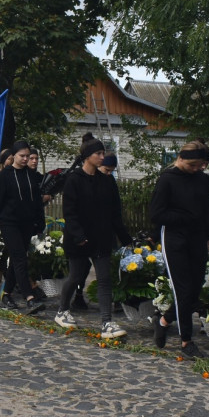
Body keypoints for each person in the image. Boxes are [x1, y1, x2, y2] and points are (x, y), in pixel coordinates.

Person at [53, 140, 131, 338]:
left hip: (102, 238)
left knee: (104, 279)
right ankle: (62, 310)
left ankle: (106, 322)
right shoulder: (74, 179)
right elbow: (69, 212)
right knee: (76, 276)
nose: (102, 157)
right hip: (79, 239)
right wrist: (78, 235)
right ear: (88, 155)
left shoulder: (107, 181)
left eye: (103, 153)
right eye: (98, 153)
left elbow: (115, 213)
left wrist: (125, 238)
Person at [150, 140, 209, 357]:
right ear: (181, 159)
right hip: (175, 238)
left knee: (195, 290)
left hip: (198, 239)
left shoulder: (204, 181)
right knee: (182, 290)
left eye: (201, 166)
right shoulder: (167, 179)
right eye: (193, 165)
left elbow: (208, 209)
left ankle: (163, 320)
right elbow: (157, 214)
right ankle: (187, 341)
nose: (197, 169)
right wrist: (184, 217)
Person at [0, 140, 46, 315]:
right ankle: (29, 298)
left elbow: (37, 202)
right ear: (14, 156)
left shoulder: (32, 176)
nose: (26, 159)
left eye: (28, 156)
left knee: (17, 260)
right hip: (9, 223)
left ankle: (6, 294)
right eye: (22, 156)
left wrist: (40, 222)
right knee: (20, 259)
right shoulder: (4, 176)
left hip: (26, 223)